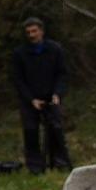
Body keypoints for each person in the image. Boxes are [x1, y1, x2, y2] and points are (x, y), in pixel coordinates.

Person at [11, 17, 72, 173]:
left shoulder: (55, 49)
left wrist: (57, 93)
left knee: (56, 129)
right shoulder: (19, 53)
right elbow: (18, 80)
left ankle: (60, 162)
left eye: (34, 31)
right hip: (30, 99)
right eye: (28, 32)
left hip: (51, 96)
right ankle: (35, 166)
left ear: (41, 31)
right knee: (30, 130)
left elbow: (62, 74)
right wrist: (31, 99)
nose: (31, 35)